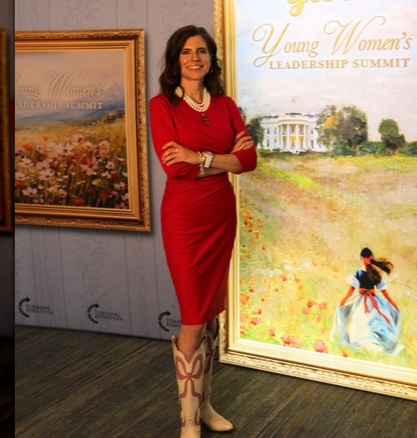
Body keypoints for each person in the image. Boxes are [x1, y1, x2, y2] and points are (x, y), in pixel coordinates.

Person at [148, 25, 257, 437]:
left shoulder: (225, 105)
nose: (195, 58)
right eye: (186, 52)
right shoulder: (162, 106)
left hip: (219, 215)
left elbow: (250, 161)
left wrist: (200, 157)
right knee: (194, 317)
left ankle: (205, 406)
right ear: (176, 59)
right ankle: (188, 422)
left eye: (202, 51)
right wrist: (224, 158)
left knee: (210, 316)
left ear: (211, 59)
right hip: (184, 218)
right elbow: (175, 167)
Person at [330, 248, 403, 356]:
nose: (365, 260)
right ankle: (361, 343)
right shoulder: (358, 273)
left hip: (373, 302)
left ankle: (375, 343)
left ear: (370, 258)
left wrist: (393, 304)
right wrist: (343, 301)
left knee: (375, 321)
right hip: (360, 301)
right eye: (364, 258)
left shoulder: (375, 273)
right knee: (358, 319)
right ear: (361, 258)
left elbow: (384, 292)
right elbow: (351, 290)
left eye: (367, 258)